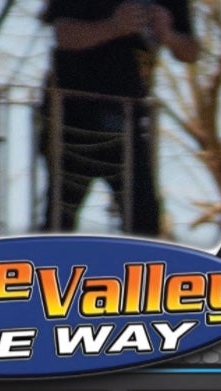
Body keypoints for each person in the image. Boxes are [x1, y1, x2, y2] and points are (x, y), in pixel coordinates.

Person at [39, 0, 196, 236]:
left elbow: (191, 50)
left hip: (129, 115)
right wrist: (114, 26)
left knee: (145, 219)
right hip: (74, 113)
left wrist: (169, 35)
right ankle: (47, 268)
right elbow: (64, 34)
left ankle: (136, 270)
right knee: (61, 218)